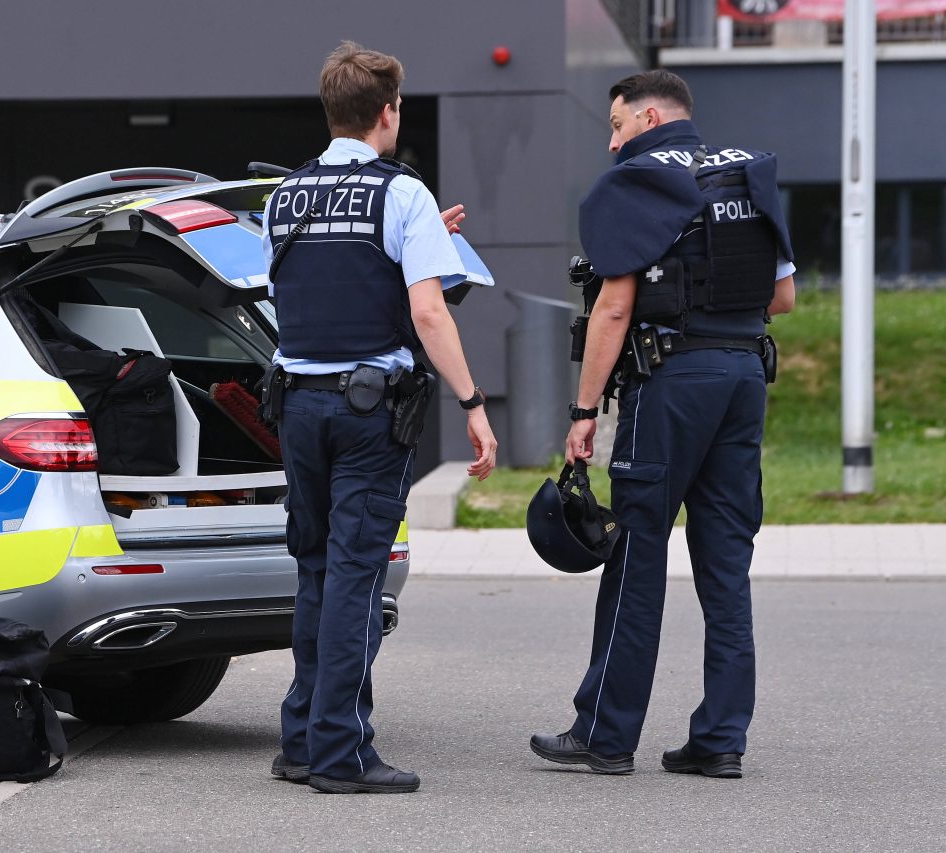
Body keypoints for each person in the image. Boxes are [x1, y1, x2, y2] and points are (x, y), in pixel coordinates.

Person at [530, 70, 795, 779]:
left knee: (636, 551)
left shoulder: (638, 181)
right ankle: (720, 740)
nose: (612, 140)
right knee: (726, 564)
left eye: (616, 124)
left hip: (670, 381)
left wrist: (584, 414)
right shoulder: (747, 173)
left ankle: (605, 735)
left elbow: (613, 310)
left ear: (649, 118)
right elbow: (784, 296)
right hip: (743, 378)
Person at [262, 41, 497, 794]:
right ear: (386, 113)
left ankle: (301, 740)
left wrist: (429, 236)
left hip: (298, 407)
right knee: (358, 579)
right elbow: (428, 311)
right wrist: (473, 402)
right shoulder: (402, 195)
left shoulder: (285, 196)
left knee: (316, 569)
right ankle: (340, 751)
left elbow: (316, 291)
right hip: (368, 414)